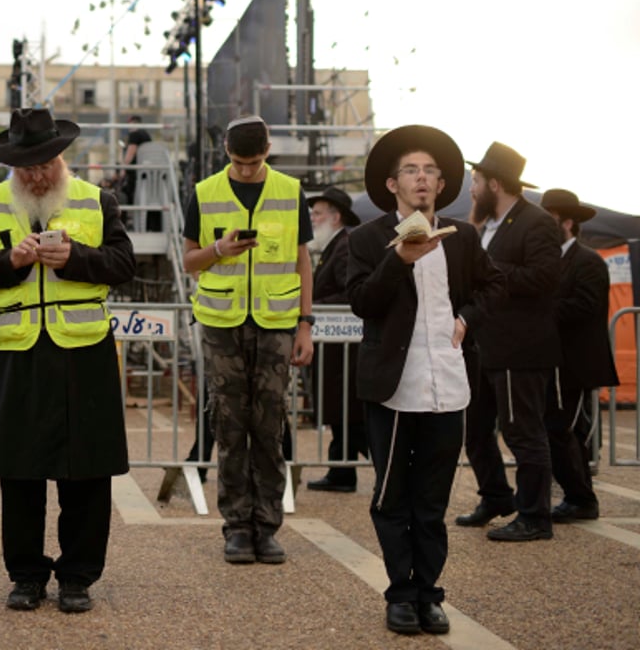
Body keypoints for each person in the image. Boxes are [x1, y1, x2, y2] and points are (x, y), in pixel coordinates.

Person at [0, 107, 134, 614]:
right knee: (20, 473)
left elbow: (124, 265)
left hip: (83, 351)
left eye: (44, 163)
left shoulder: (99, 201)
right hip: (18, 351)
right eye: (26, 166)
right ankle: (27, 575)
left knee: (88, 474)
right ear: (12, 166)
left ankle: (77, 576)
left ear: (60, 157)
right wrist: (11, 261)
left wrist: (74, 258)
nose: (36, 174)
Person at [347, 125, 504, 635]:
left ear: (441, 185)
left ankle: (430, 594)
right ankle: (400, 594)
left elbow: (494, 286)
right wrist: (398, 260)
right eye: (411, 170)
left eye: (430, 171)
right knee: (393, 496)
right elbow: (361, 303)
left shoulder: (463, 238)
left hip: (449, 385)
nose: (421, 178)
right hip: (394, 386)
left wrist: (468, 318)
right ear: (392, 184)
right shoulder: (367, 238)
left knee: (433, 500)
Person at [181, 114, 314, 565]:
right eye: (239, 163)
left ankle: (267, 525)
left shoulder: (291, 192)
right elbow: (188, 262)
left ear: (268, 151)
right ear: (226, 153)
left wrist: (305, 324)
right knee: (229, 426)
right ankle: (237, 527)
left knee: (269, 426)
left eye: (254, 162)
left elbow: (302, 262)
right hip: (222, 324)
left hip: (276, 323)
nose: (247, 170)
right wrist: (219, 250)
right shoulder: (203, 193)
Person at [456, 142, 562, 542]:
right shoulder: (488, 226)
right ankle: (497, 497)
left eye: (477, 182)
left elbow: (545, 278)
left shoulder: (535, 222)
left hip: (520, 347)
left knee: (522, 433)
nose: (472, 189)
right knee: (475, 428)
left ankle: (535, 516)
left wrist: (488, 270)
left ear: (495, 185)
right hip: (485, 347)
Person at [541, 188, 620, 522]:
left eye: (551, 221)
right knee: (558, 431)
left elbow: (585, 306)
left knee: (563, 430)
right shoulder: (548, 260)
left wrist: (540, 309)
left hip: (577, 363)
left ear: (568, 223)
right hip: (555, 362)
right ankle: (577, 496)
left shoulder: (588, 261)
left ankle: (581, 498)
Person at [303, 186, 366, 493]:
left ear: (335, 216)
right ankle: (341, 469)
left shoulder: (345, 246)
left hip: (344, 345)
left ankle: (353, 468)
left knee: (347, 410)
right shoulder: (333, 246)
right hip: (333, 345)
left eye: (317, 213)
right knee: (341, 410)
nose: (312, 219)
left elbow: (348, 293)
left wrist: (315, 306)